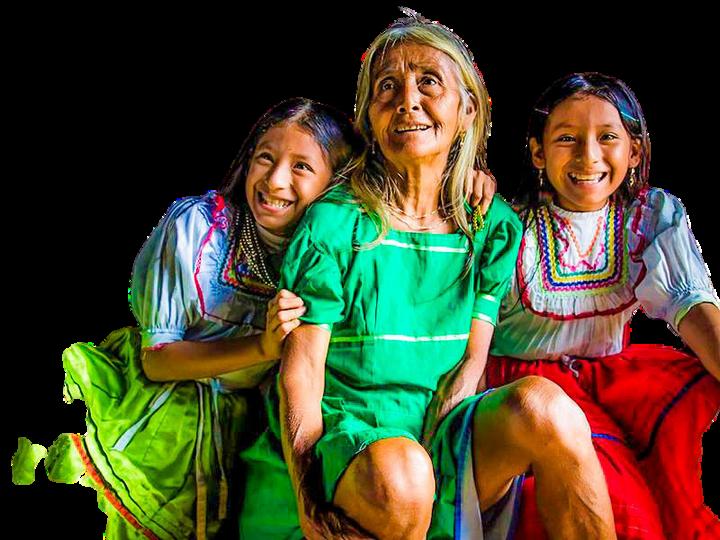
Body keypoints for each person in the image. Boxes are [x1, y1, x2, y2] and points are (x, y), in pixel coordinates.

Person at [239, 9, 618, 540]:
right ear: (368, 118)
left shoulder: (490, 225)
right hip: (347, 450)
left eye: (429, 82)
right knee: (404, 474)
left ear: (467, 110)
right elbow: (300, 373)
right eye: (387, 87)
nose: (407, 100)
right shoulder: (337, 224)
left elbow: (472, 360)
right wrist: (307, 498)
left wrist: (452, 431)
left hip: (439, 438)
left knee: (547, 407)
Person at [11, 97, 359, 539]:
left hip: (249, 434)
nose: (275, 180)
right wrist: (261, 347)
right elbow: (158, 360)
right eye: (265, 158)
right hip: (160, 413)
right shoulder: (199, 228)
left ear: (337, 183)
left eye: (301, 167)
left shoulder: (332, 257)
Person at [488, 72, 720, 539]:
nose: (588, 156)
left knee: (696, 397)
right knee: (613, 502)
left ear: (634, 150)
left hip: (609, 381)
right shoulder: (509, 226)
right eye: (566, 138)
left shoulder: (646, 217)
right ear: (537, 152)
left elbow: (693, 307)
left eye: (608, 137)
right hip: (524, 389)